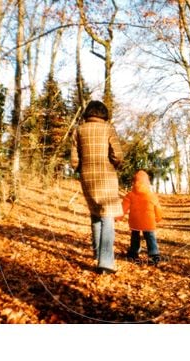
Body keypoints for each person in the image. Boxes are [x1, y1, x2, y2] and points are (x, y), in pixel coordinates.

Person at [71, 100, 124, 274]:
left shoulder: (78, 130)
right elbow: (118, 154)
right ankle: (106, 262)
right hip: (106, 175)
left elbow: (74, 160)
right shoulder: (108, 129)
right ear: (103, 114)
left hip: (87, 176)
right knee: (107, 217)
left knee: (95, 214)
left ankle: (97, 253)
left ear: (88, 113)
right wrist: (114, 165)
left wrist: (81, 169)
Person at [120, 170, 163, 264]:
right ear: (147, 182)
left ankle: (133, 252)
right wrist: (159, 217)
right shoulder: (152, 196)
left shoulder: (130, 195)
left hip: (135, 220)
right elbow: (158, 208)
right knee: (150, 237)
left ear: (134, 182)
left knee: (135, 236)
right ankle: (154, 255)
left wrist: (118, 217)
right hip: (148, 221)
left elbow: (123, 208)